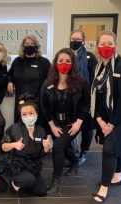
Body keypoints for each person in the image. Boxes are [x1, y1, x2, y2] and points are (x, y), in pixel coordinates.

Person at [90, 30, 121, 204]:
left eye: (110, 43)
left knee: (110, 148)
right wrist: (100, 120)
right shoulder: (98, 68)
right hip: (107, 117)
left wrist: (110, 124)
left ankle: (104, 187)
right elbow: (97, 96)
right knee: (114, 145)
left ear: (115, 45)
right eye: (103, 44)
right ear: (97, 47)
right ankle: (117, 175)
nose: (106, 47)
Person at [40, 48, 90, 194]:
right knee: (63, 144)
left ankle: (57, 180)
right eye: (61, 60)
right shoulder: (48, 82)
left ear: (73, 63)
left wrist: (79, 122)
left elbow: (86, 104)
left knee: (58, 146)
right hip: (54, 123)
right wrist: (51, 125)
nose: (64, 63)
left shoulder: (81, 82)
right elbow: (43, 105)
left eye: (68, 61)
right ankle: (74, 160)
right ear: (56, 63)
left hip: (73, 123)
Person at [0, 94, 52, 197]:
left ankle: (26, 182)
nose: (28, 116)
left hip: (32, 165)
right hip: (16, 164)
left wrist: (47, 149)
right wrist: (14, 145)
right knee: (29, 180)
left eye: (31, 113)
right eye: (24, 114)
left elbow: (40, 154)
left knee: (41, 191)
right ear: (20, 116)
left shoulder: (41, 130)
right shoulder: (14, 128)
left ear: (36, 114)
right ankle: (14, 183)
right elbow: (2, 147)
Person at [7, 35, 51, 124]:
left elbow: (51, 79)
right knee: (21, 128)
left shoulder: (44, 62)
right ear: (23, 47)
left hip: (38, 102)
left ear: (36, 46)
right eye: (27, 44)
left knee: (38, 128)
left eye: (32, 44)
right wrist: (10, 82)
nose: (29, 46)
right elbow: (10, 74)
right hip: (21, 101)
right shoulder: (17, 61)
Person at [69, 29, 98, 165]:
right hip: (70, 98)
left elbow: (96, 78)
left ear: (83, 41)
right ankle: (72, 152)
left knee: (86, 127)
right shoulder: (67, 55)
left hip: (86, 97)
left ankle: (84, 152)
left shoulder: (90, 57)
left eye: (78, 39)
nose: (75, 41)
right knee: (70, 126)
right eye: (73, 39)